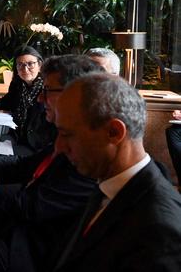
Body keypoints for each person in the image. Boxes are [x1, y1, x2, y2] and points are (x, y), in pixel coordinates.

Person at [0, 55, 102, 272]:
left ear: (75, 95)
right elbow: (23, 166)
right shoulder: (69, 133)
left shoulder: (89, 152)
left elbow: (29, 204)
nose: (40, 99)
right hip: (16, 228)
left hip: (30, 251)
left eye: (47, 90)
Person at [52, 73, 181, 271]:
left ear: (114, 132)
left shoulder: (159, 231)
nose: (59, 147)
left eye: (67, 134)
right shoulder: (108, 184)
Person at [0, 46, 56, 151]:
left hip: (36, 144)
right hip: (16, 135)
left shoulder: (49, 88)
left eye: (30, 64)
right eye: (20, 65)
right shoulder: (17, 84)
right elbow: (9, 99)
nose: (25, 69)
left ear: (40, 65)